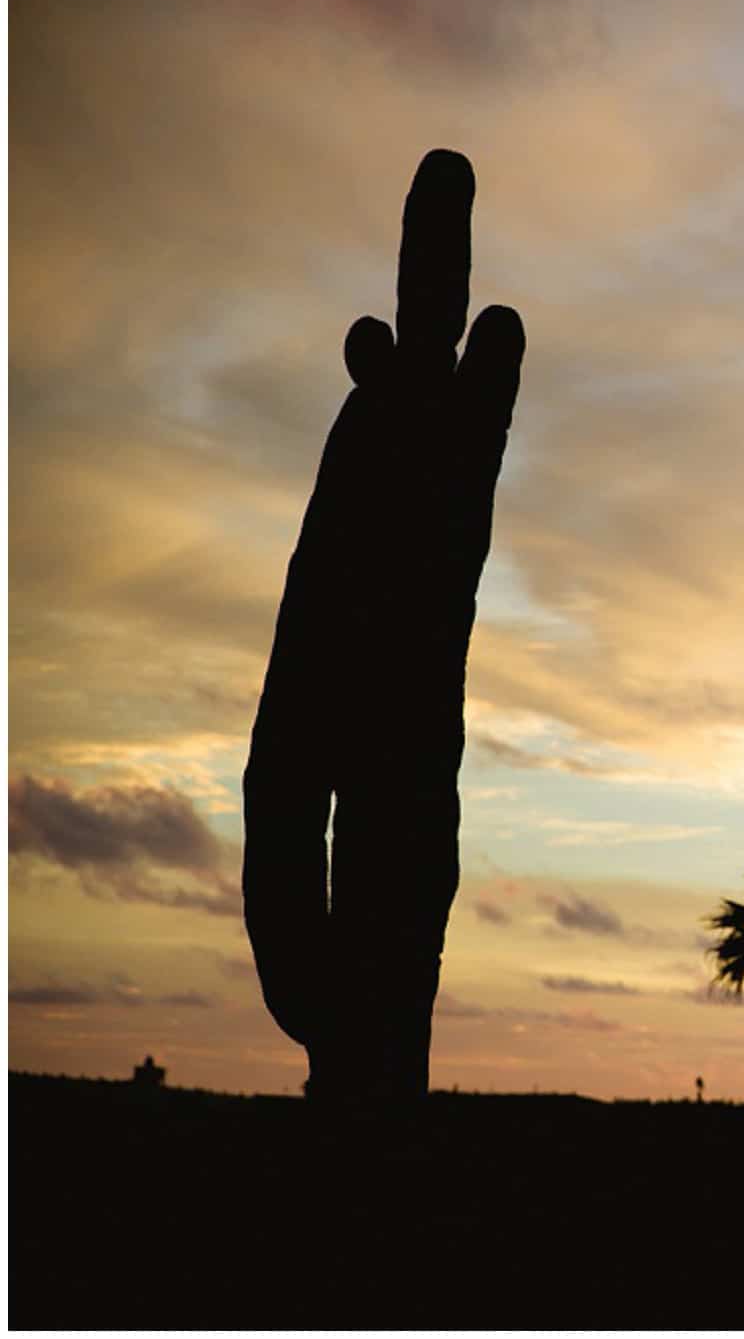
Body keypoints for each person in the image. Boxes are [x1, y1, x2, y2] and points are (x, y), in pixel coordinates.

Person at [242, 149, 525, 1101]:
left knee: (384, 850)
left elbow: (284, 767)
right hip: (377, 923)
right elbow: (287, 769)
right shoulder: (403, 425)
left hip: (394, 848)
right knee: (379, 868)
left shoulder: (413, 424)